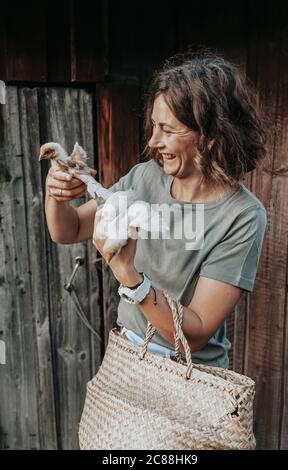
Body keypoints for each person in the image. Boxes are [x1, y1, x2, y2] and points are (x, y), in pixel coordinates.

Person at [44, 52, 267, 368]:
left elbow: (197, 332)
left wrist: (128, 274)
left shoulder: (242, 216)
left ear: (213, 134)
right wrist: (56, 194)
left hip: (190, 374)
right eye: (153, 126)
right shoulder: (146, 176)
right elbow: (69, 229)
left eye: (169, 129)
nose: (153, 141)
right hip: (128, 358)